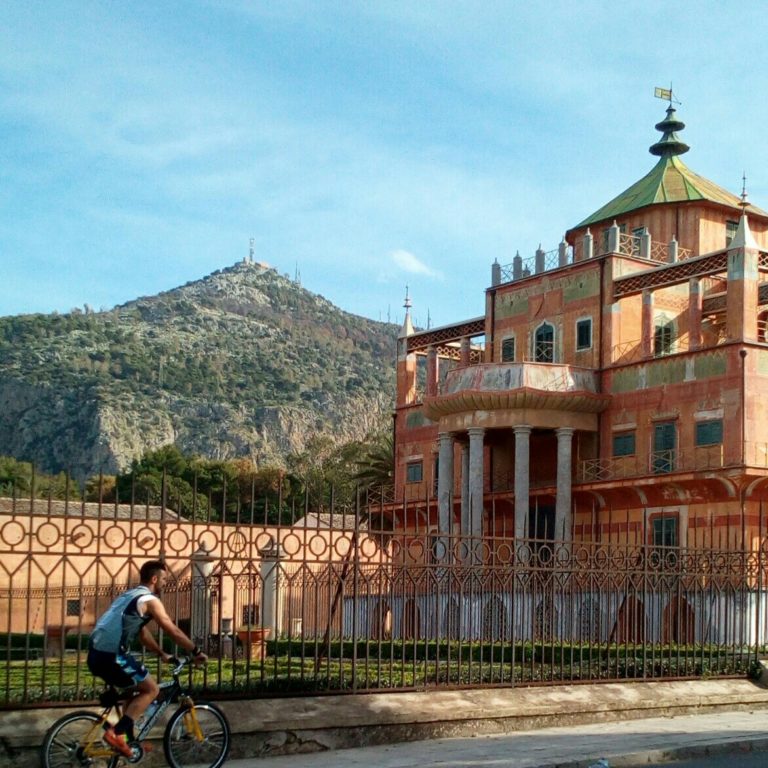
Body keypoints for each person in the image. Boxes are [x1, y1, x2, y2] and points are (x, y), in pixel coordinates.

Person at [87, 560, 208, 757]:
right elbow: (172, 630)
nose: (165, 583)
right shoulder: (149, 600)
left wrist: (161, 654)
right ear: (154, 579)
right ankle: (117, 734)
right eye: (164, 579)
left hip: (95, 654)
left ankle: (127, 740)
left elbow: (142, 634)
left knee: (134, 691)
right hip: (112, 656)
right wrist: (195, 651)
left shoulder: (129, 596)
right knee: (152, 689)